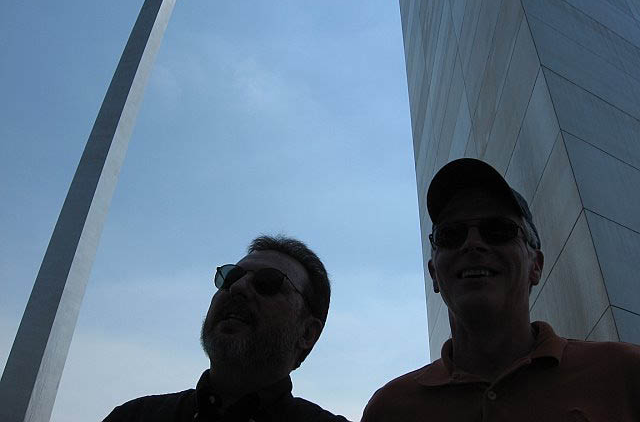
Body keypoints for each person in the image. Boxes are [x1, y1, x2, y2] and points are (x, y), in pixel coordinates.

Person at [361, 158, 640, 422]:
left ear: (536, 266)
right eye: (451, 235)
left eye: (498, 229)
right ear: (434, 274)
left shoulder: (625, 374)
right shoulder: (389, 409)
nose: (472, 243)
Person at [104, 234, 349, 422]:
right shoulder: (133, 417)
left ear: (307, 333)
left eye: (268, 282)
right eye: (230, 276)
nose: (238, 287)